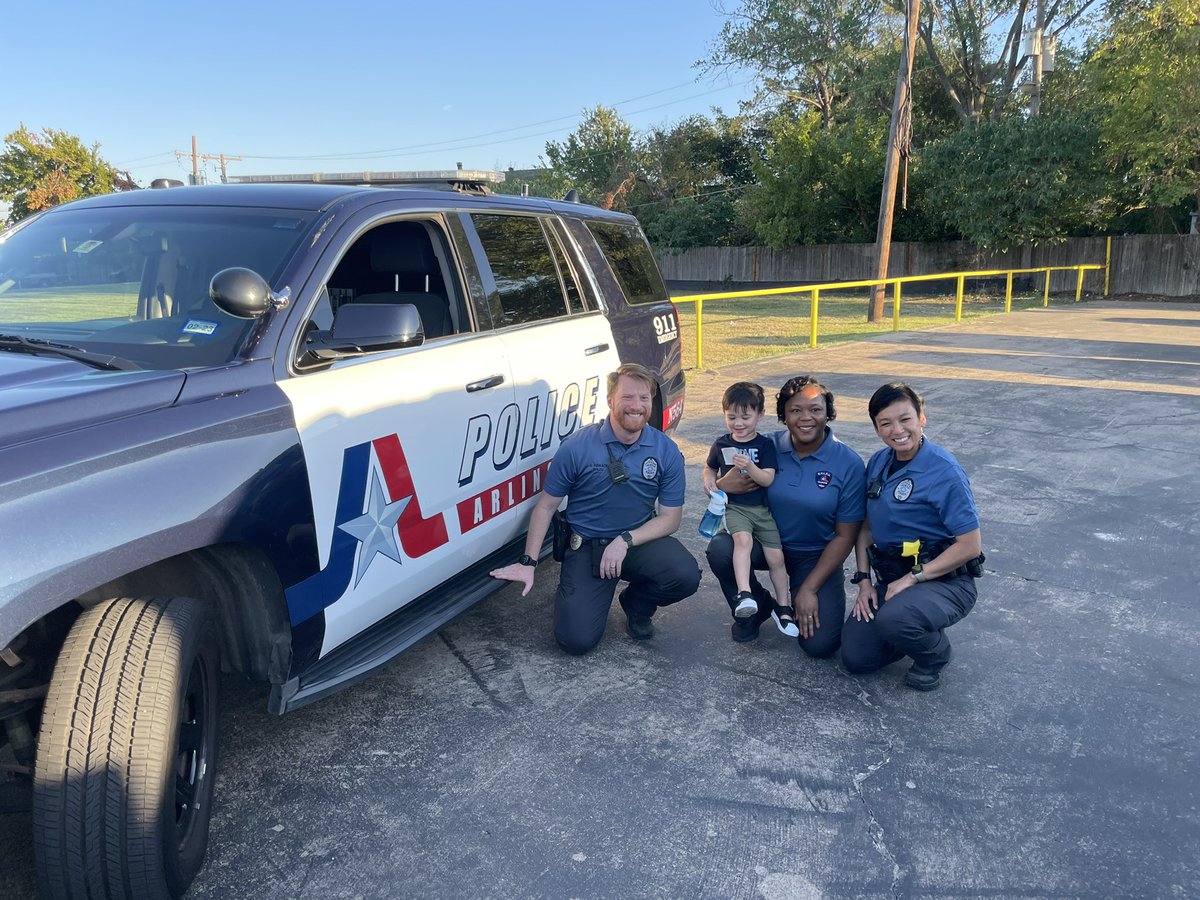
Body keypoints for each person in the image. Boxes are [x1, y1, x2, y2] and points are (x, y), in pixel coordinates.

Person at [490, 363, 701, 654]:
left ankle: (636, 604)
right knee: (574, 642)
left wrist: (624, 541)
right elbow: (546, 507)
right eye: (627, 397)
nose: (637, 406)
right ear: (610, 400)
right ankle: (584, 595)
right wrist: (529, 562)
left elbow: (670, 519)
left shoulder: (665, 450)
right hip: (588, 547)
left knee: (685, 575)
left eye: (644, 398)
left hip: (636, 542)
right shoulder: (577, 447)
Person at [705, 376, 866, 657]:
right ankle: (755, 606)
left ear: (828, 412)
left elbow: (846, 536)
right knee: (721, 548)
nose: (805, 418)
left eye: (815, 409)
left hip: (814, 556)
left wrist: (809, 589)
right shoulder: (765, 446)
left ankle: (795, 597)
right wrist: (719, 485)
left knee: (820, 645)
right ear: (783, 415)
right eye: (795, 410)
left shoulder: (848, 462)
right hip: (766, 542)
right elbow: (721, 474)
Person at [841, 382, 983, 691]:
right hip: (893, 580)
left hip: (945, 582)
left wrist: (913, 578)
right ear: (876, 429)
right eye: (885, 423)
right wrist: (864, 581)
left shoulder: (944, 471)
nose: (897, 430)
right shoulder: (878, 463)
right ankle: (903, 628)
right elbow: (866, 528)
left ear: (922, 417)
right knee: (856, 657)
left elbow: (970, 546)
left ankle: (935, 654)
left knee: (895, 619)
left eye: (905, 419)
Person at [703, 382, 797, 637]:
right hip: (736, 509)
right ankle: (745, 594)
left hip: (762, 511)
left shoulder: (764, 445)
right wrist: (710, 481)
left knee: (776, 557)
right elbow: (710, 466)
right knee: (742, 541)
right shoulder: (721, 444)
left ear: (759, 415)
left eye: (745, 417)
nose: (738, 423)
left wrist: (750, 467)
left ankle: (783, 607)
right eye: (731, 416)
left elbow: (767, 478)